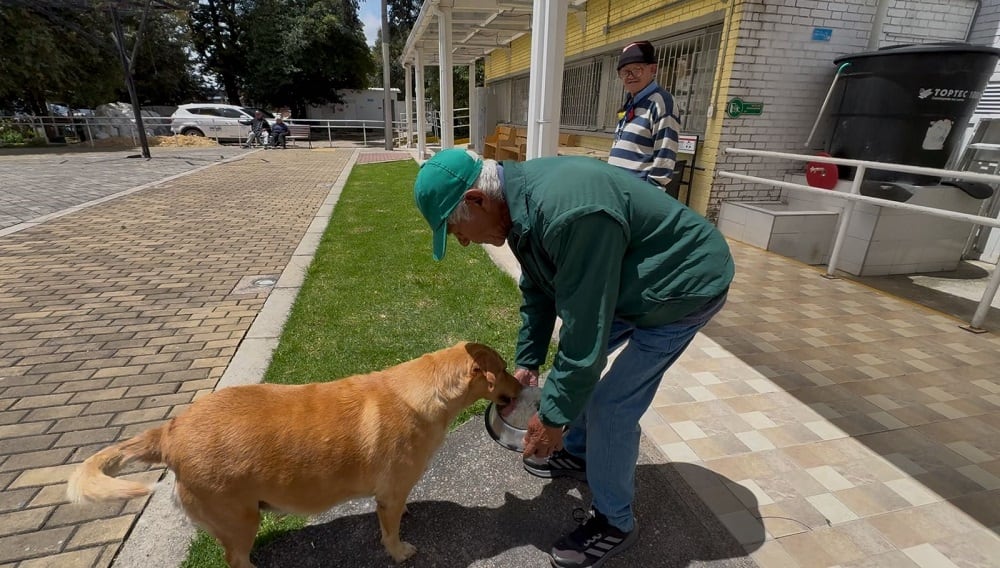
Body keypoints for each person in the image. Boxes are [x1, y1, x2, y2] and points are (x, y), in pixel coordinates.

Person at [414, 148, 733, 568]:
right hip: (632, 279)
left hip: (683, 286)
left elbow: (586, 340)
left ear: (477, 199)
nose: (463, 240)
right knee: (574, 368)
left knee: (611, 406)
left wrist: (552, 420)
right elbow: (539, 290)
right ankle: (581, 452)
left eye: (455, 228)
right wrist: (528, 364)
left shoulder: (570, 214)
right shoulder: (518, 205)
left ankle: (615, 522)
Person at [608, 41, 681, 190]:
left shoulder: (661, 102)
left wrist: (649, 195)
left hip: (636, 194)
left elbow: (665, 154)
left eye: (637, 70)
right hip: (617, 189)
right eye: (624, 72)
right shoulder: (631, 101)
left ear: (652, 69)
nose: (630, 76)